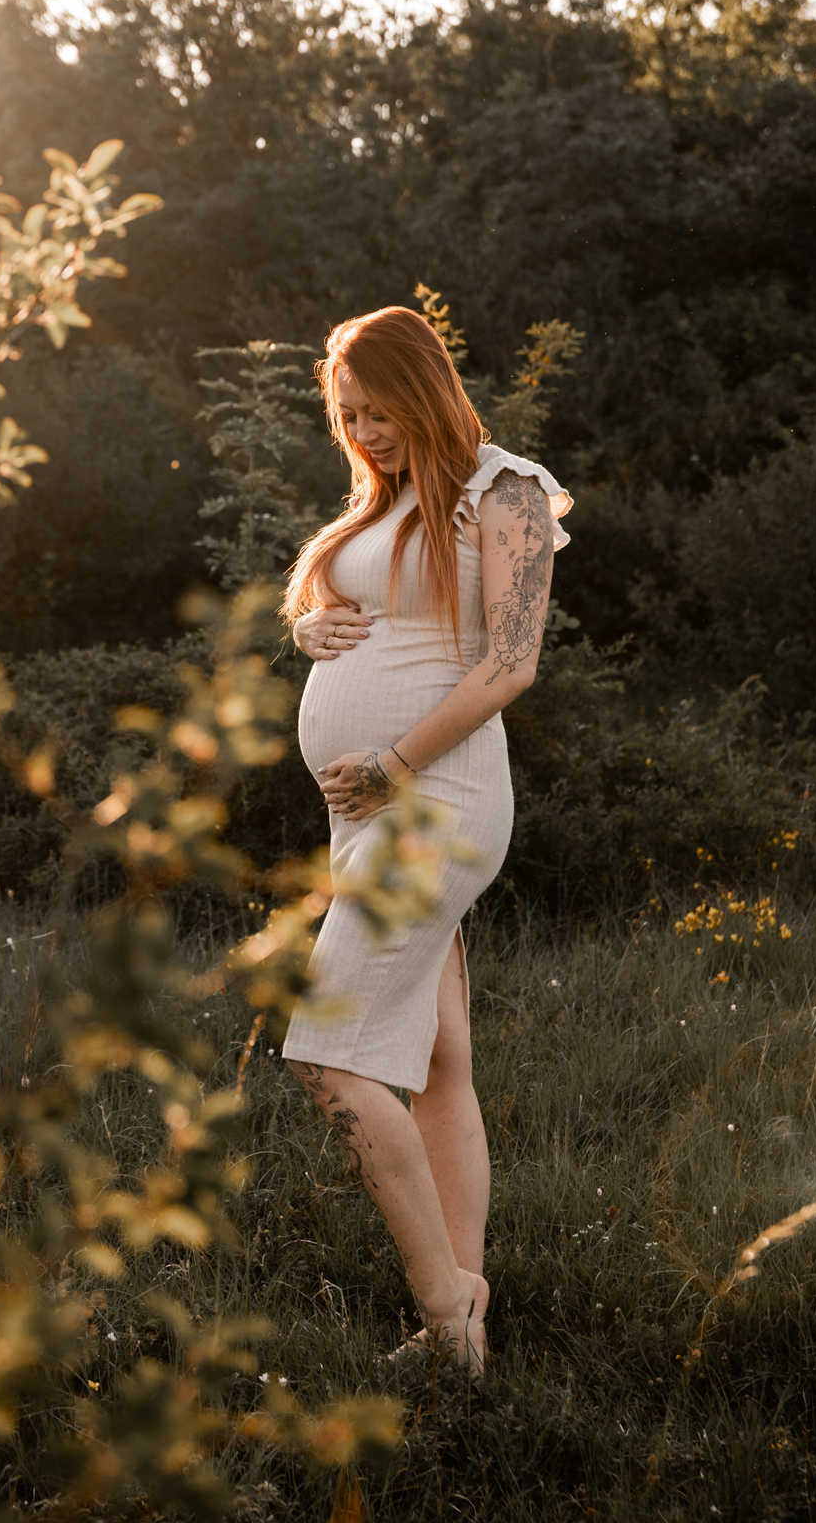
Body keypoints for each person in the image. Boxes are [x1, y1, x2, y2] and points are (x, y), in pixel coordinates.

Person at [279, 305, 571, 1376]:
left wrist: (393, 762)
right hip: (363, 809)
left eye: (379, 410)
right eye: (347, 416)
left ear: (426, 389)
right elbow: (335, 600)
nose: (364, 431)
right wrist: (308, 623)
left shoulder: (505, 492)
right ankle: (464, 1339)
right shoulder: (388, 499)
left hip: (432, 800)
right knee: (440, 1061)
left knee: (324, 1054)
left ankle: (446, 1302)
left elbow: (509, 664)